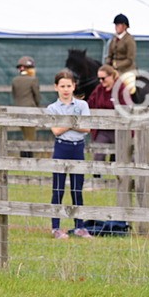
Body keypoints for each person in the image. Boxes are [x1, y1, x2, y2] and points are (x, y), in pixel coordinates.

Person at [46, 69, 92, 239]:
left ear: (74, 87)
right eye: (62, 86)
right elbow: (56, 131)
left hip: (77, 147)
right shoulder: (52, 108)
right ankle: (55, 227)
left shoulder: (82, 105)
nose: (65, 89)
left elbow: (86, 128)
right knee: (58, 188)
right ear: (56, 87)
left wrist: (67, 122)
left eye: (69, 86)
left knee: (77, 188)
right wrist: (73, 122)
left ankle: (80, 226)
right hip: (61, 147)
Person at [85, 64, 122, 166]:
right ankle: (96, 180)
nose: (101, 81)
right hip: (103, 129)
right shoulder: (99, 89)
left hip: (119, 129)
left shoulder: (121, 89)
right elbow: (90, 103)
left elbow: (126, 108)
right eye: (99, 79)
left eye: (103, 78)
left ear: (111, 76)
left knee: (124, 157)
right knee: (98, 156)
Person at [11, 56, 42, 158]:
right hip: (31, 111)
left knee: (25, 135)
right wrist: (38, 108)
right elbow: (37, 96)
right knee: (30, 136)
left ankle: (24, 156)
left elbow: (14, 95)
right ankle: (28, 157)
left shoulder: (15, 80)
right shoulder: (33, 80)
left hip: (19, 111)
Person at [106, 13, 137, 93]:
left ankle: (133, 103)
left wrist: (117, 65)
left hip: (126, 70)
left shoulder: (129, 40)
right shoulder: (113, 39)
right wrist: (108, 63)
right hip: (113, 69)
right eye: (115, 25)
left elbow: (130, 59)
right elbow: (110, 55)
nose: (116, 27)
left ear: (124, 26)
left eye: (118, 25)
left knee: (130, 88)